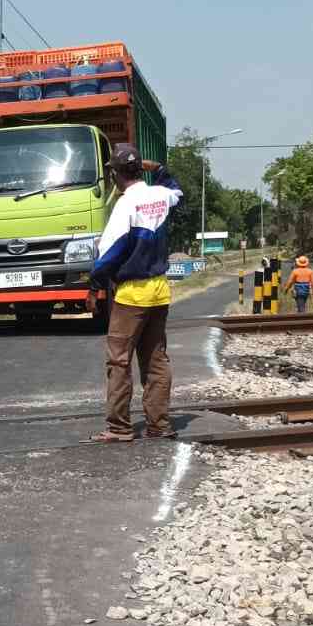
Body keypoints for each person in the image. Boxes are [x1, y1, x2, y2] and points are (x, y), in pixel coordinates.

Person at [85, 144, 184, 443]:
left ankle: (119, 427)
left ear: (115, 174)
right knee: (156, 360)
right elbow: (176, 190)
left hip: (130, 295)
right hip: (159, 290)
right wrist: (158, 169)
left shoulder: (125, 205)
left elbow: (110, 253)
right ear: (139, 169)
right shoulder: (160, 196)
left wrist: (94, 286)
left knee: (119, 361)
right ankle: (159, 425)